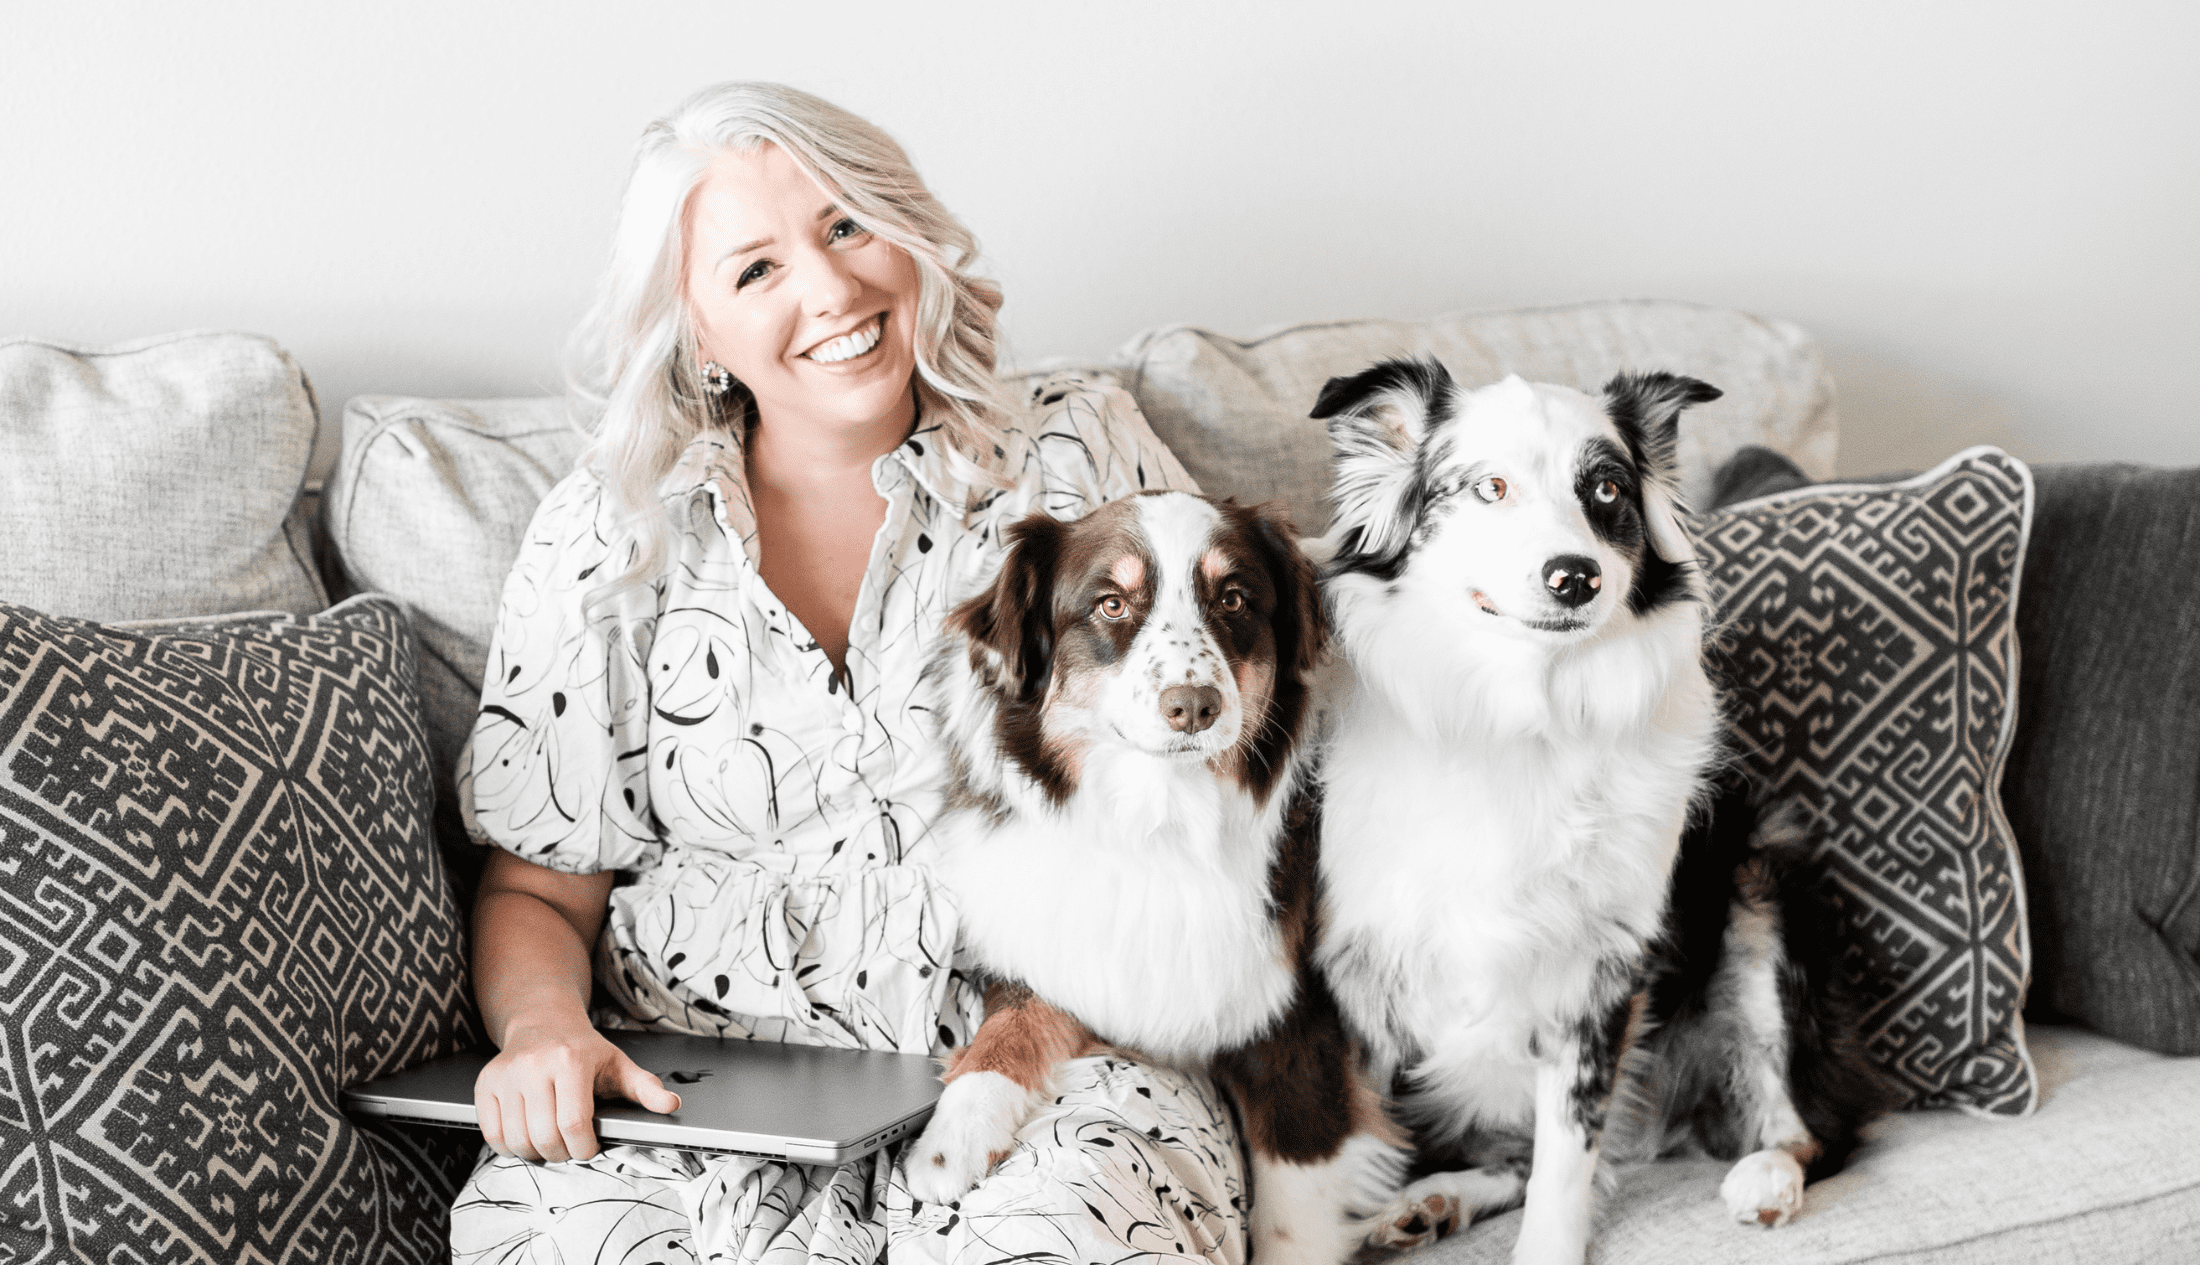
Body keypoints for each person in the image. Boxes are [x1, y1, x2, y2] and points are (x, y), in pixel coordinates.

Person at [447, 82, 1246, 1265]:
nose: (829, 290)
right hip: (692, 1095)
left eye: (845, 224)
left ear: (906, 232)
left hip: (1047, 1064)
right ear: (697, 331)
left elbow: (1228, 778)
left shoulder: (1074, 457)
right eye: (755, 269)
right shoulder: (609, 535)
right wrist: (543, 1029)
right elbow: (540, 888)